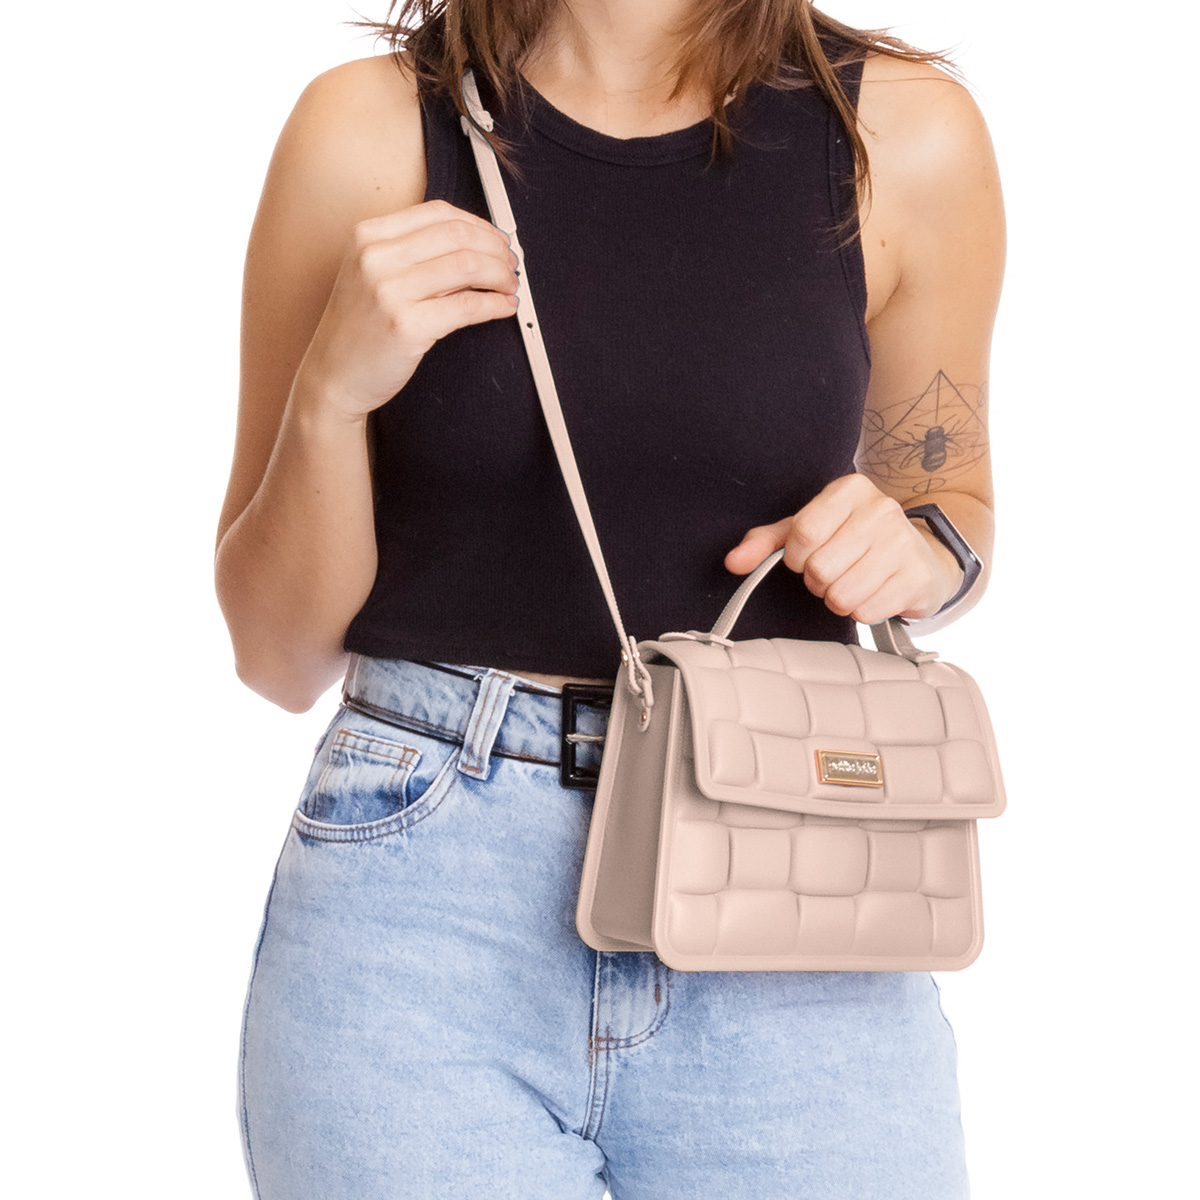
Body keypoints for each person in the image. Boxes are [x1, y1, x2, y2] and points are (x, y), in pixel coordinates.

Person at [215, 0, 1004, 1196]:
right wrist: (330, 396)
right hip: (424, 913)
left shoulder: (901, 139)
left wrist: (924, 553)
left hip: (793, 880)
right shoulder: (364, 133)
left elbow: (953, 497)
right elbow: (275, 656)